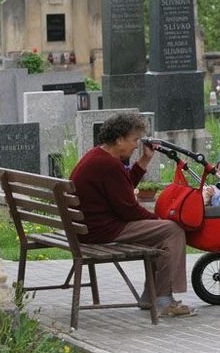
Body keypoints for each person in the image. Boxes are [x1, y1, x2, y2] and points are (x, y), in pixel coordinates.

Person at [70, 113, 193, 317]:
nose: (136, 145)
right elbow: (128, 209)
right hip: (102, 231)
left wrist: (145, 160)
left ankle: (151, 296)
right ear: (119, 139)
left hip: (89, 228)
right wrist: (159, 221)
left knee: (161, 232)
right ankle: (162, 300)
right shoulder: (108, 164)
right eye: (134, 140)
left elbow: (123, 187)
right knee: (172, 231)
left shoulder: (98, 156)